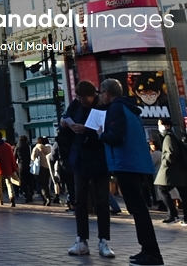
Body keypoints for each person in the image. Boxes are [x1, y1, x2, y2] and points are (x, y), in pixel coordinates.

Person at [98, 78, 163, 266]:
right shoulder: (130, 108)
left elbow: (116, 137)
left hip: (125, 162)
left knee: (138, 208)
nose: (101, 96)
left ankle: (151, 252)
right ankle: (148, 250)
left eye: (101, 92)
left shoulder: (115, 109)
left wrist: (101, 134)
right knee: (138, 207)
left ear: (107, 93)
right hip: (136, 162)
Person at [62, 80, 115, 259]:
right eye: (79, 97)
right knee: (80, 201)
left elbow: (106, 129)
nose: (82, 100)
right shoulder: (75, 105)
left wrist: (86, 129)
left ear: (93, 95)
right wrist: (66, 125)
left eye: (85, 97)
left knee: (102, 201)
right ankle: (81, 239)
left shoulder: (103, 106)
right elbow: (65, 121)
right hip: (80, 159)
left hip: (99, 158)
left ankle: (103, 240)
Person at [154, 118, 187, 226]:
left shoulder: (168, 137)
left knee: (162, 189)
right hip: (181, 170)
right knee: (184, 195)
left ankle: (173, 215)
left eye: (160, 124)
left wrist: (165, 164)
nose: (159, 127)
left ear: (167, 126)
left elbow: (170, 153)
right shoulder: (175, 136)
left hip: (171, 171)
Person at [0, 134, 17, 207]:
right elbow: (12, 158)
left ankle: (0, 200)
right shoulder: (8, 146)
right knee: (9, 183)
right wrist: (14, 167)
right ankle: (11, 197)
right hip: (7, 167)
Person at [32, 135, 56, 206]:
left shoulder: (37, 147)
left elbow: (33, 157)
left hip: (40, 168)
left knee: (41, 184)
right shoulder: (49, 147)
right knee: (46, 183)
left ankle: (46, 198)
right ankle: (48, 196)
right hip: (48, 167)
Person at [16, 135, 35, 202]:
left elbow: (14, 156)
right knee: (30, 180)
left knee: (22, 181)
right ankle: (31, 193)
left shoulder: (18, 146)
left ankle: (26, 193)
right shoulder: (29, 146)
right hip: (29, 164)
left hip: (21, 165)